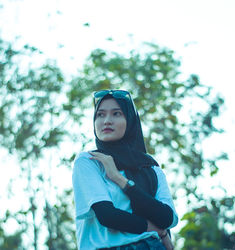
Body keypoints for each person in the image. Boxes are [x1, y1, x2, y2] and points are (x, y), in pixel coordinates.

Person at [72, 90, 178, 250]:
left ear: (130, 121)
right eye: (100, 115)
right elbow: (107, 216)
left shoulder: (150, 168)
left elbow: (166, 218)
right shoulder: (89, 161)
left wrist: (119, 179)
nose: (107, 121)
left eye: (116, 114)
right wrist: (156, 230)